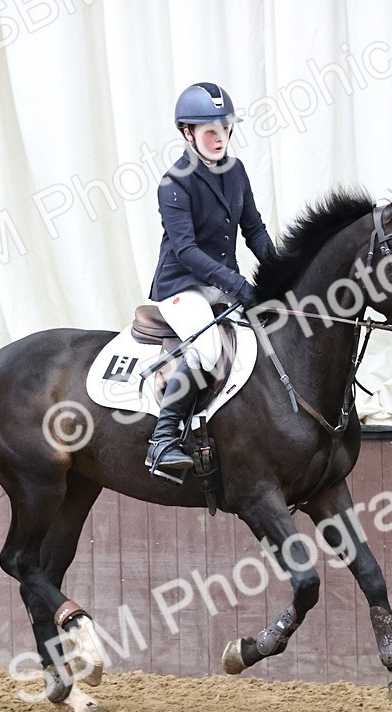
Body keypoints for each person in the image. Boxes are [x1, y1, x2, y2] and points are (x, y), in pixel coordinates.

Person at [144, 82, 275, 474]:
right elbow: (186, 251)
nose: (219, 138)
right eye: (209, 131)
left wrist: (283, 273)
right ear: (188, 133)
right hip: (181, 286)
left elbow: (254, 230)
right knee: (207, 350)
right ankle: (163, 440)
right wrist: (236, 285)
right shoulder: (175, 182)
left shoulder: (237, 172)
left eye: (224, 128)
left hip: (221, 283)